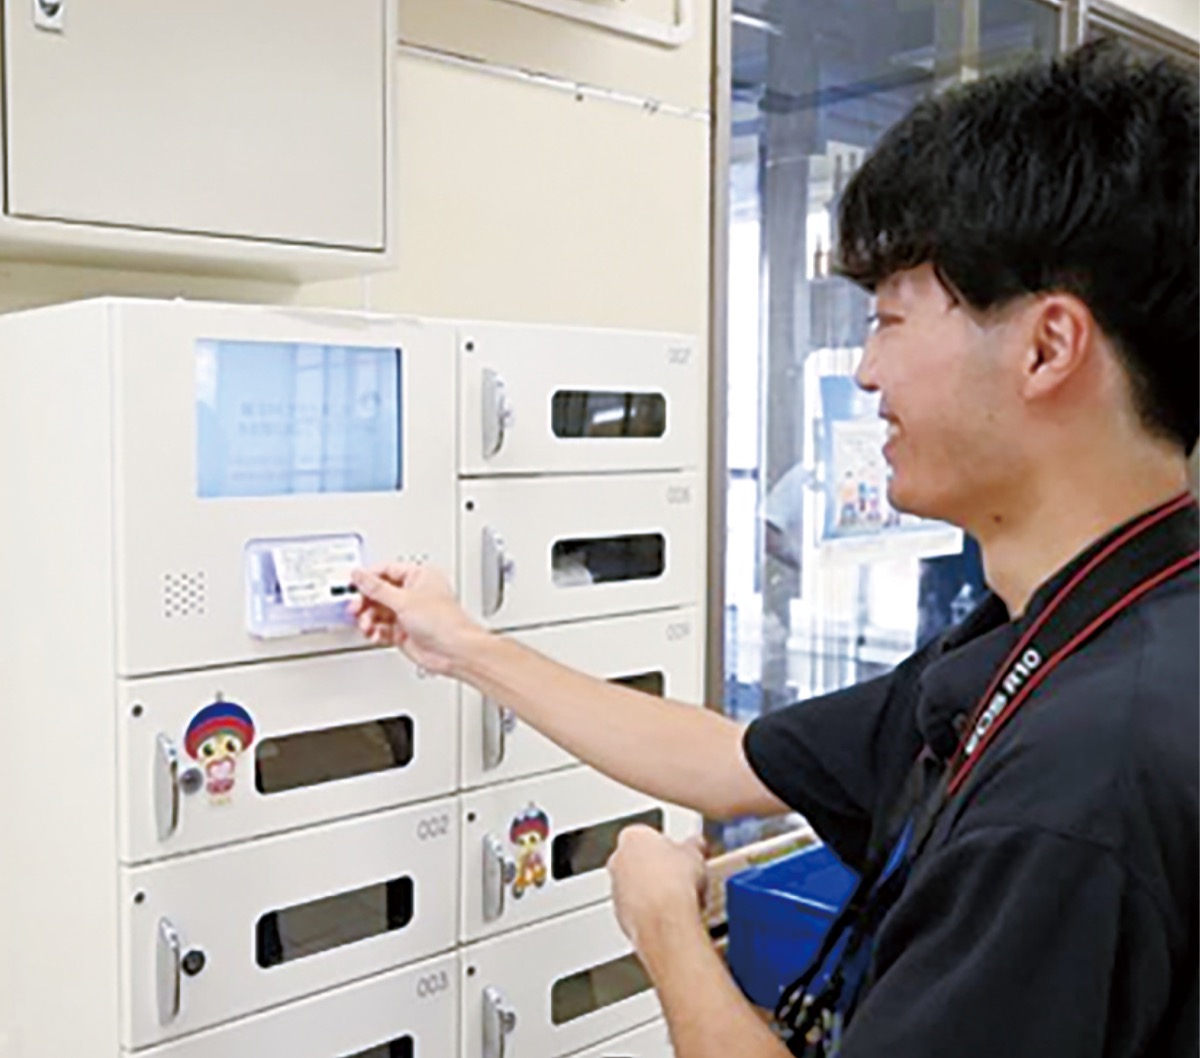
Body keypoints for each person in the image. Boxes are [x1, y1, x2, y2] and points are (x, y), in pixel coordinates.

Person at [349, 41, 1198, 1058]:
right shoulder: (1073, 633)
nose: (868, 372)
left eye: (888, 319)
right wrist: (462, 643)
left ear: (1047, 346)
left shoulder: (1078, 784)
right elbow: (724, 761)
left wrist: (665, 928)